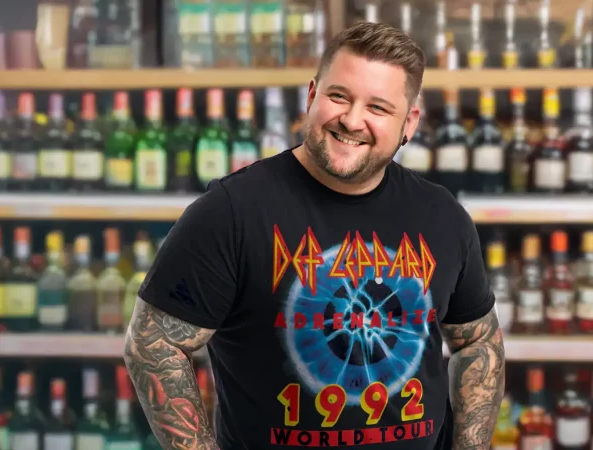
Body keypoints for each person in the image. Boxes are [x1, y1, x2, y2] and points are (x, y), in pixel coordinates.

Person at [124, 21, 505, 450]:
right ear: (311, 96)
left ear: (409, 123)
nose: (352, 119)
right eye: (338, 96)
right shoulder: (231, 211)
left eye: (378, 107)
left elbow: (477, 340)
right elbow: (153, 345)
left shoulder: (442, 215)